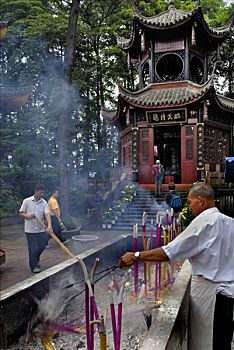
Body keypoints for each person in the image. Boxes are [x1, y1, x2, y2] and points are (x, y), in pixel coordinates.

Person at [119, 183, 234, 350]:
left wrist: (137, 256)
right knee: (222, 342)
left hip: (211, 298)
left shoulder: (204, 222)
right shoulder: (230, 222)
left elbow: (169, 253)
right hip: (228, 297)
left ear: (201, 201)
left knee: (208, 343)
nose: (189, 206)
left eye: (190, 202)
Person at [19, 184, 53, 273]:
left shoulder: (44, 202)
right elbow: (21, 213)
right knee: (32, 248)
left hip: (40, 229)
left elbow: (47, 214)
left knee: (42, 245)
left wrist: (49, 226)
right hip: (30, 230)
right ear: (36, 191)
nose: (42, 194)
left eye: (43, 193)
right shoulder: (27, 201)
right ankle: (34, 266)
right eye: (40, 192)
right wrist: (28, 216)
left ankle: (35, 258)